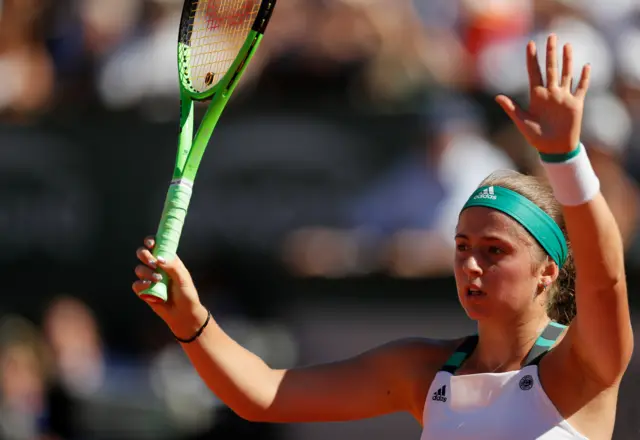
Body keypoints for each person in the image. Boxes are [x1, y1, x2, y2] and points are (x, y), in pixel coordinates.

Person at [132, 35, 633, 439]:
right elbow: (265, 395)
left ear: (549, 269)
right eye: (462, 248)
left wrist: (566, 160)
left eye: (494, 251)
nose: (471, 265)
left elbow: (605, 281)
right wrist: (193, 322)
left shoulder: (581, 367)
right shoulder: (422, 371)